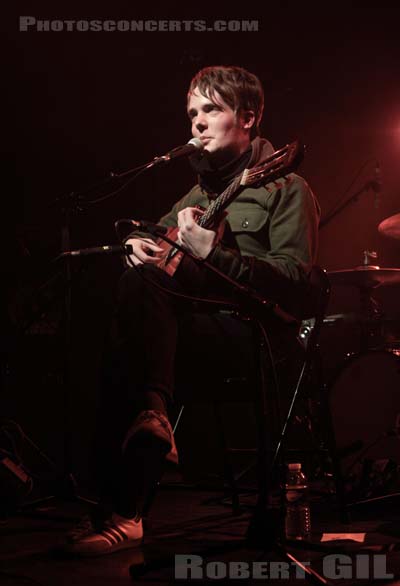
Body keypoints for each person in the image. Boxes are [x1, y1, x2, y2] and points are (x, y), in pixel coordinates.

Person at [62, 65, 320, 556]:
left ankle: (123, 505)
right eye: (192, 113)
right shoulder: (199, 195)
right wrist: (138, 241)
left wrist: (213, 255)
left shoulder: (286, 188)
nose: (197, 123)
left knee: (133, 328)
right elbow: (152, 236)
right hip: (190, 337)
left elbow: (298, 287)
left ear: (248, 117)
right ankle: (148, 428)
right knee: (119, 297)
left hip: (258, 342)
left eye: (211, 110)